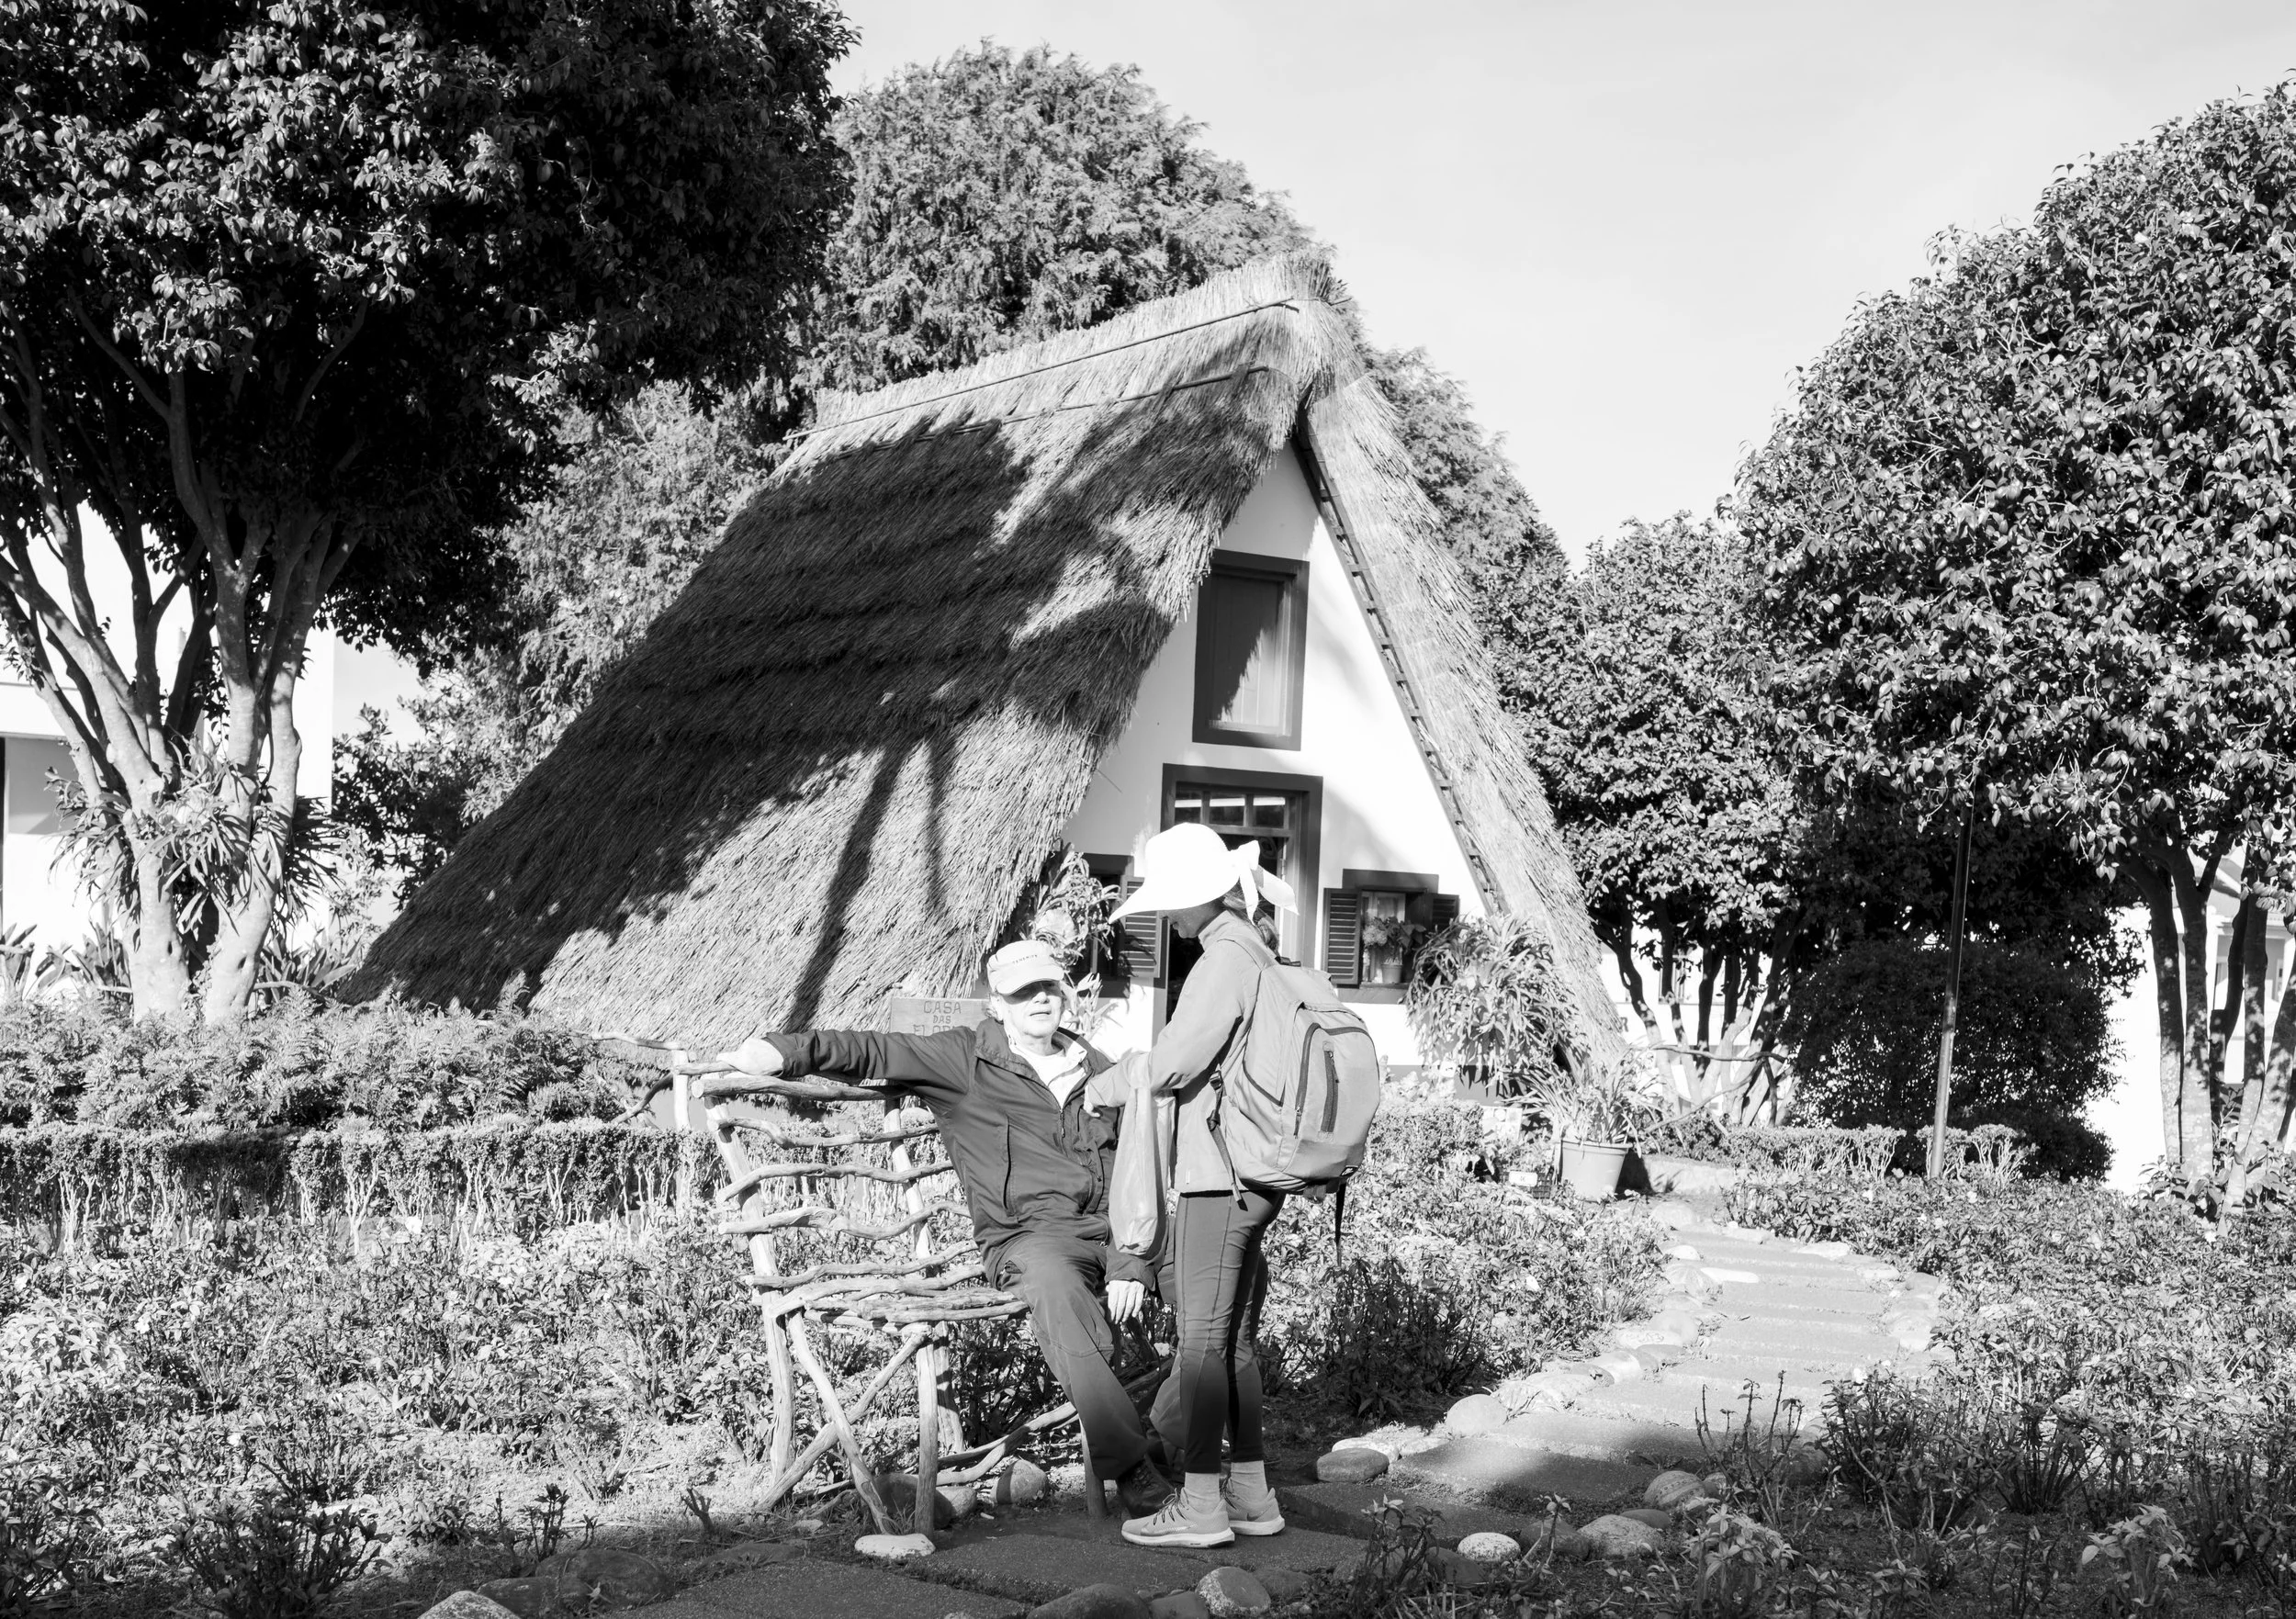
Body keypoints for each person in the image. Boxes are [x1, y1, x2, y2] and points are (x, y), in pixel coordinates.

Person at [718, 937, 1175, 1517]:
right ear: (998, 1005)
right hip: (1031, 1238)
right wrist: (782, 1050)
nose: (1039, 999)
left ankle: (1178, 1429)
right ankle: (1133, 1467)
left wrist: (1133, 1258)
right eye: (1022, 992)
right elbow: (872, 1052)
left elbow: (1131, 1171)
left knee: (1225, 1269)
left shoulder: (1099, 1067)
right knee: (1059, 1296)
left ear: (1063, 992)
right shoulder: (962, 1060)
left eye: (1047, 987)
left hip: (1116, 1231)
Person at [1105, 821, 1296, 1549]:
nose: (1169, 917)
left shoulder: (1222, 957)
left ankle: (1202, 1504)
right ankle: (1250, 1492)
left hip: (1220, 1173)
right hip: (1254, 1170)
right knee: (1235, 1340)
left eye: (1171, 904)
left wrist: (1110, 1081)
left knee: (1202, 1343)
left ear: (1194, 900)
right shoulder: (1257, 947)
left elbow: (1174, 1064)